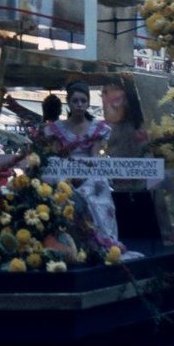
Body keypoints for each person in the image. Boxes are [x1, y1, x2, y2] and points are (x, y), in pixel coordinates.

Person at [43, 81, 124, 252]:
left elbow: (95, 156)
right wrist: (70, 173)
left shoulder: (97, 128)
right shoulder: (57, 128)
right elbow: (58, 155)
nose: (79, 105)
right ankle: (69, 243)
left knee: (95, 193)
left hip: (89, 169)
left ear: (88, 103)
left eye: (83, 101)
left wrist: (85, 174)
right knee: (62, 193)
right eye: (75, 101)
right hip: (65, 169)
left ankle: (101, 242)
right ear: (69, 103)